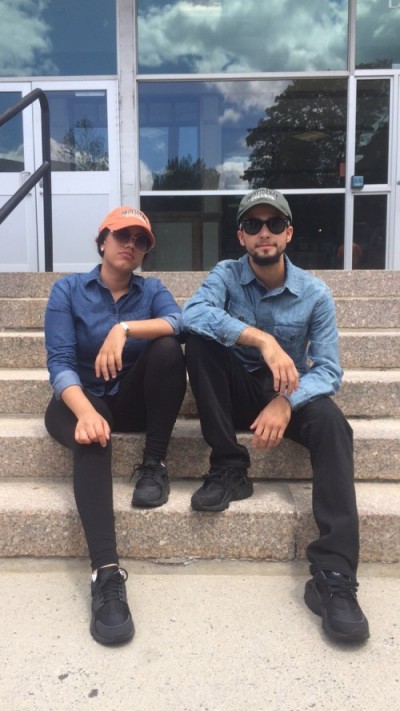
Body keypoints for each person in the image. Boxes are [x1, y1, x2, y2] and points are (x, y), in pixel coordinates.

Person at [182, 188, 369, 643]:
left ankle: (333, 575)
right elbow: (193, 313)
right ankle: (229, 467)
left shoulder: (315, 293)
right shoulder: (226, 275)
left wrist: (286, 401)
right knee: (201, 341)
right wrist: (262, 341)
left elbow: (327, 369)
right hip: (235, 387)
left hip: (287, 392)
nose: (263, 233)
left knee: (332, 424)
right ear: (242, 237)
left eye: (272, 224)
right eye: (252, 225)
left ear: (288, 232)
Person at [44, 206, 186, 646]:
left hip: (130, 400)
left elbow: (181, 323)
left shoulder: (152, 290)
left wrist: (124, 328)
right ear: (101, 240)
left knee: (167, 349)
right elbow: (60, 362)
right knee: (93, 434)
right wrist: (84, 410)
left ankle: (154, 465)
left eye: (140, 239)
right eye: (122, 235)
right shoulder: (67, 290)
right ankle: (106, 576)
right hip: (78, 398)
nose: (131, 244)